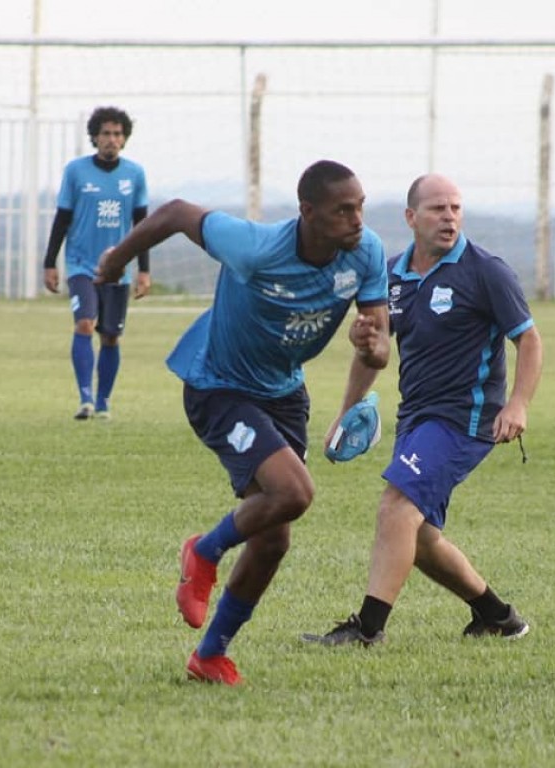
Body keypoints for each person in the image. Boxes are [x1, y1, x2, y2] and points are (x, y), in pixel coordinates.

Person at [96, 159, 391, 686]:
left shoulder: (365, 252)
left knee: (273, 540)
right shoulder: (255, 248)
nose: (357, 220)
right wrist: (117, 259)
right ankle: (203, 550)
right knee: (295, 493)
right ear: (308, 213)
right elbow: (177, 213)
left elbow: (380, 349)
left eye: (360, 207)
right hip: (219, 386)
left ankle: (210, 655)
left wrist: (371, 346)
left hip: (283, 392)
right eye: (343, 210)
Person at [302, 173, 543, 647]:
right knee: (421, 536)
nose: (449, 217)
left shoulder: (486, 271)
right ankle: (498, 617)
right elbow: (373, 351)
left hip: (464, 419)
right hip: (415, 418)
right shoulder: (392, 274)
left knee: (396, 506)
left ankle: (368, 629)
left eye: (455, 207)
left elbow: (529, 340)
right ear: (411, 217)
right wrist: (346, 407)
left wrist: (518, 403)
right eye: (437, 208)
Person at [44, 106, 150, 420]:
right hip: (81, 265)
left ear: (124, 138)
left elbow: (142, 227)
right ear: (94, 137)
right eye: (105, 133)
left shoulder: (135, 174)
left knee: (111, 336)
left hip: (118, 270)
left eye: (117, 134)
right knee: (84, 323)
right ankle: (85, 399)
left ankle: (103, 402)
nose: (111, 139)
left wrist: (144, 270)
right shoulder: (76, 171)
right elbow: (62, 219)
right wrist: (50, 263)